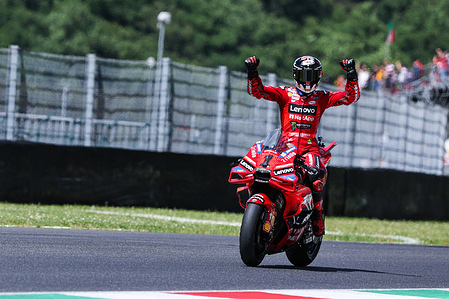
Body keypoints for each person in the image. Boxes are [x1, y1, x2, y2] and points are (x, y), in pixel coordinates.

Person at [244, 55, 360, 236]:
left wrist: (352, 75)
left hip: (309, 149)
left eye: (311, 75)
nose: (307, 80)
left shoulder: (322, 97)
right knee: (260, 170)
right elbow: (258, 91)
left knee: (316, 176)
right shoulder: (285, 93)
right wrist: (253, 72)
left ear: (319, 76)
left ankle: (318, 215)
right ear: (295, 75)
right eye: (303, 75)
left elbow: (350, 97)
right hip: (283, 147)